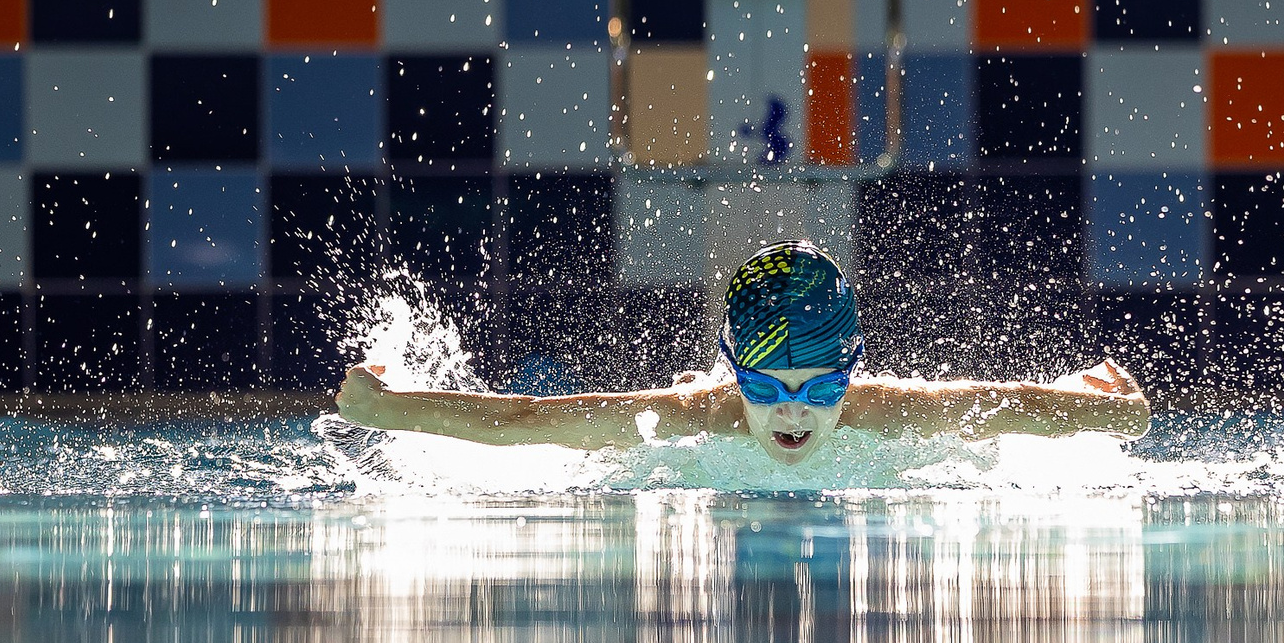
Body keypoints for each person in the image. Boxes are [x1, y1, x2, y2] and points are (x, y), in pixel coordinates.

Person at [334, 242, 1153, 465]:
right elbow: (526, 422)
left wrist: (1120, 409)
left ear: (854, 369)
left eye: (819, 384)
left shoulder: (890, 412)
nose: (793, 410)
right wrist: (385, 408)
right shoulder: (694, 421)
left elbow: (1017, 404)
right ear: (733, 370)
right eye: (765, 383)